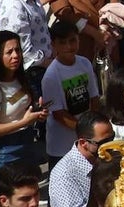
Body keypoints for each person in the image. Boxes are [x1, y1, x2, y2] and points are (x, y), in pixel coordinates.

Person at [0, 32, 47, 178]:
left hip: (27, 144)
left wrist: (37, 114)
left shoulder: (21, 79)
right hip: (5, 151)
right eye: (9, 52)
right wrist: (23, 122)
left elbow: (21, 110)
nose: (15, 55)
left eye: (18, 50)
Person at [41, 22, 100, 164]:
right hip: (62, 147)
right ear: (53, 45)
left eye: (72, 40)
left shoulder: (84, 63)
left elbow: (94, 97)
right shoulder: (51, 76)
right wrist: (86, 132)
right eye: (62, 43)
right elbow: (59, 114)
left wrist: (94, 125)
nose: (69, 46)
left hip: (86, 141)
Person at [47, 111, 113, 207]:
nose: (110, 145)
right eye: (104, 142)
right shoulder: (64, 175)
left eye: (112, 138)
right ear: (83, 143)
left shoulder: (109, 157)